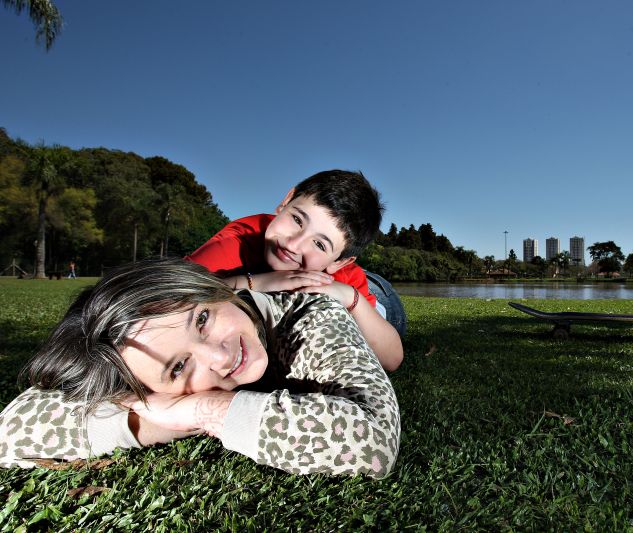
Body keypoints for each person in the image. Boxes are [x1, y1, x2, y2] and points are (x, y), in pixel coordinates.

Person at [0, 258, 400, 478]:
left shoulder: (311, 313)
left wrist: (203, 408)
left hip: (375, 301)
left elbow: (374, 442)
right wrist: (161, 414)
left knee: (367, 299)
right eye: (178, 368)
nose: (220, 357)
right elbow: (10, 431)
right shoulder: (133, 375)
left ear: (217, 290)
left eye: (203, 320)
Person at [187, 170, 406, 372]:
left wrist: (351, 297)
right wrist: (254, 282)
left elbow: (391, 358)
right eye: (297, 219)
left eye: (319, 244)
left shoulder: (345, 277)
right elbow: (167, 298)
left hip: (379, 296)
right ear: (285, 202)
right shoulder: (239, 240)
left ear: (340, 262)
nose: (293, 245)